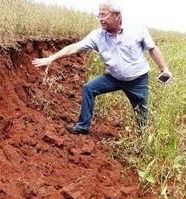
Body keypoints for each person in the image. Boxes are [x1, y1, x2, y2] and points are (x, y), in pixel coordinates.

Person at [32, 0, 172, 135]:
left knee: (141, 111)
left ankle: (144, 138)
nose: (100, 19)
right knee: (89, 88)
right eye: (99, 15)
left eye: (103, 14)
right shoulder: (97, 36)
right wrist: (51, 58)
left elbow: (152, 49)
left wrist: (164, 69)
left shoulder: (137, 29)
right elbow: (74, 48)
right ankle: (83, 126)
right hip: (113, 77)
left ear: (117, 15)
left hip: (137, 80)